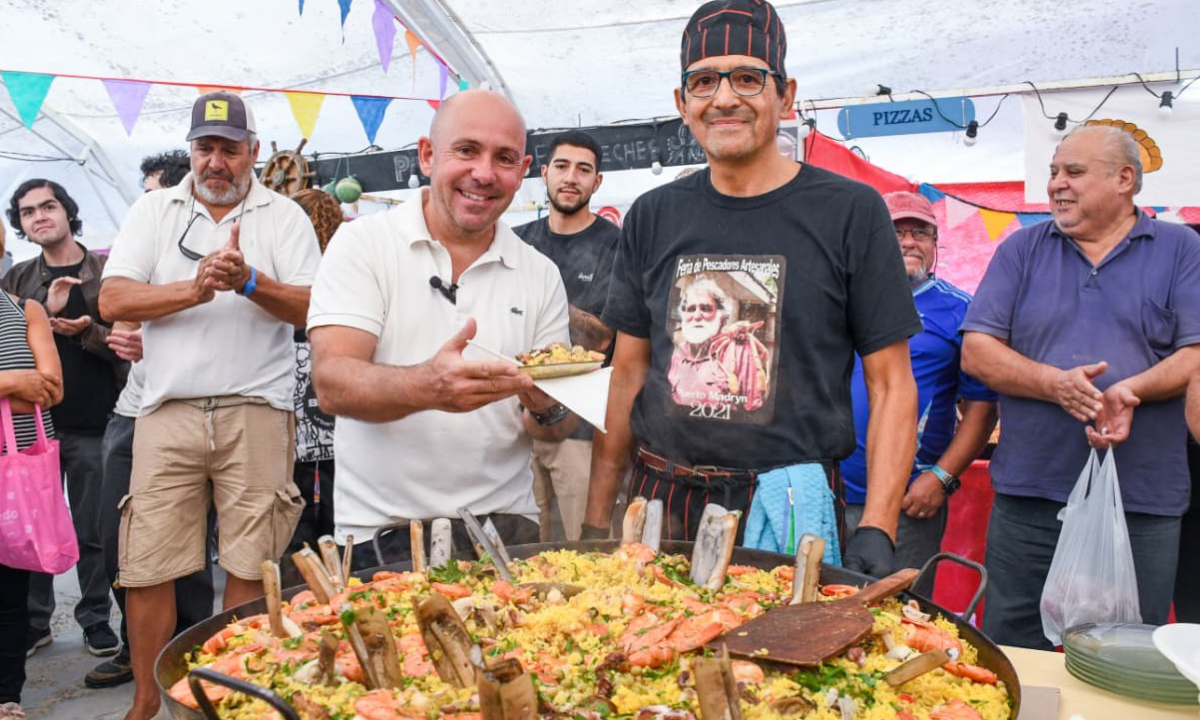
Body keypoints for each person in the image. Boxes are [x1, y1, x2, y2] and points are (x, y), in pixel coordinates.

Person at [582, 0, 922, 578]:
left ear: (785, 96)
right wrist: (596, 520)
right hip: (664, 501)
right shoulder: (652, 215)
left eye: (747, 78)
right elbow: (627, 375)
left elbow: (890, 384)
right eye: (703, 81)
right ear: (682, 102)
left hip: (788, 507)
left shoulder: (850, 212)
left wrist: (878, 525)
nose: (723, 98)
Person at [98, 91, 319, 720]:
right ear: (191, 151)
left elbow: (315, 307)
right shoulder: (153, 209)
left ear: (254, 151)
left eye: (230, 149)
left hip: (258, 408)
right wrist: (191, 291)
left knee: (250, 561)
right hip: (166, 410)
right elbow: (113, 300)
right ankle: (147, 701)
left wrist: (249, 282)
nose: (216, 161)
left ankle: (231, 699)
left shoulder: (284, 216)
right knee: (147, 564)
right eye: (205, 148)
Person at [307, 90, 575, 567]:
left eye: (504, 158)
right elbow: (332, 383)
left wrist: (547, 405)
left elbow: (556, 430)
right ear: (428, 155)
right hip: (381, 533)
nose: (484, 174)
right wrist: (429, 386)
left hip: (507, 531)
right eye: (466, 150)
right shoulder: (363, 243)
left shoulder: (540, 273)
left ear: (523, 171)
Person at [961, 125, 1200, 648]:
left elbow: (1195, 354)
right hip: (1030, 493)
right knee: (1013, 646)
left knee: (1128, 652)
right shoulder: (1023, 249)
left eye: (1073, 172)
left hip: (1142, 498)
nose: (1056, 184)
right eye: (1053, 172)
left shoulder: (1181, 247)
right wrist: (1054, 384)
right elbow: (977, 351)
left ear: (1125, 179)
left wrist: (1131, 390)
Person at [86, 155, 218, 689]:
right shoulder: (142, 241)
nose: (145, 204)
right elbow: (117, 307)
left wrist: (160, 331)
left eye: (153, 193)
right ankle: (140, 648)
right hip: (132, 411)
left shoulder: (212, 240)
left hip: (191, 408)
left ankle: (188, 656)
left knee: (187, 551)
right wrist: (129, 333)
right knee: (118, 540)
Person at [840, 191, 998, 582]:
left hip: (908, 499)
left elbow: (981, 409)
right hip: (830, 491)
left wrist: (942, 478)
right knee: (817, 603)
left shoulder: (961, 310)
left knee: (899, 607)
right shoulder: (840, 299)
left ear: (935, 244)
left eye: (920, 233)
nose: (909, 242)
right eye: (896, 233)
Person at [3, 179, 123, 659]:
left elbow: (130, 345)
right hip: (31, 429)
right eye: (27, 211)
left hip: (97, 420)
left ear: (67, 211)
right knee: (28, 524)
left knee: (94, 529)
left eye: (48, 206)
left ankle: (95, 619)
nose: (39, 216)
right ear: (20, 225)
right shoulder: (17, 281)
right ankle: (36, 622)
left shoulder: (108, 270)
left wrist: (87, 331)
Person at [514, 131, 619, 541]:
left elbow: (601, 338)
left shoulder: (616, 246)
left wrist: (542, 296)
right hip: (515, 423)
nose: (571, 177)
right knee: (518, 546)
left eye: (583, 169)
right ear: (544, 173)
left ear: (598, 181)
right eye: (561, 166)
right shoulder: (516, 241)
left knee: (585, 549)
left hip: (582, 428)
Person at [0, 218, 60, 720]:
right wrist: (10, 382)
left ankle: (7, 697)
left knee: (9, 595)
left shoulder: (25, 309)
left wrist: (27, 387)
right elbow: (27, 385)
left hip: (14, 478)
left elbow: (50, 388)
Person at [280, 188, 344, 588]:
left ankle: (299, 587)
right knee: (337, 500)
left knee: (296, 504)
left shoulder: (287, 270)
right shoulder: (343, 268)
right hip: (332, 401)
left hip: (294, 403)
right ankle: (342, 579)